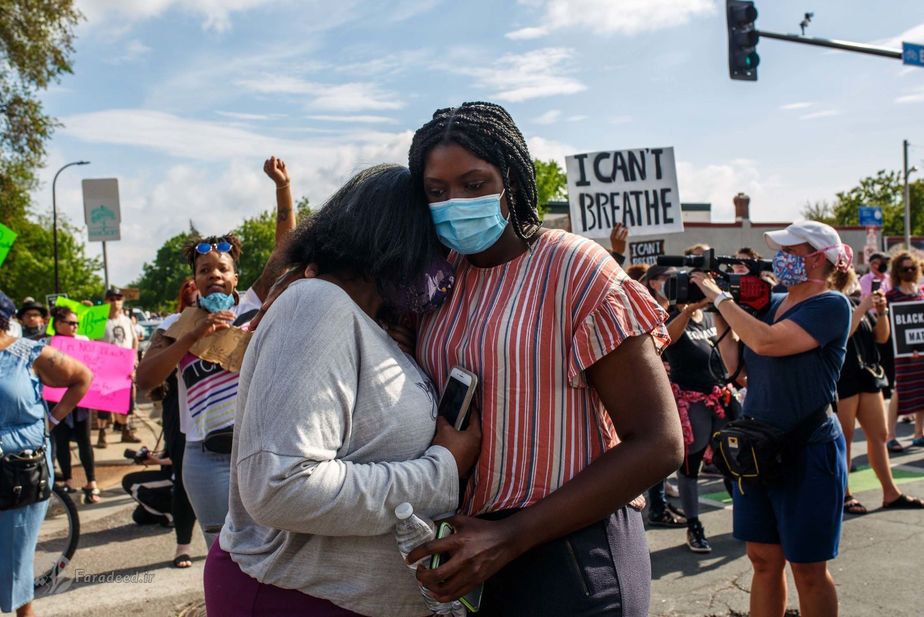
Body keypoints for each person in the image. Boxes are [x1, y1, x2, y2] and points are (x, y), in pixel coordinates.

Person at [406, 102, 683, 616]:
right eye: (436, 192)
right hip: (474, 555)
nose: (454, 203)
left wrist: (511, 536)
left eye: (474, 184)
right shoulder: (438, 280)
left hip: (573, 553)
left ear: (511, 179)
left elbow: (660, 443)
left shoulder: (574, 266)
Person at [205, 163, 482, 617]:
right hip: (294, 598)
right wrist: (443, 471)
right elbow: (283, 486)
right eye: (434, 244)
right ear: (398, 238)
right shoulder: (317, 303)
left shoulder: (361, 318)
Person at [690, 221, 851, 617]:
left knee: (808, 569)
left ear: (816, 258)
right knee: (762, 558)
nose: (780, 259)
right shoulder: (775, 302)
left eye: (789, 251)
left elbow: (767, 342)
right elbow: (736, 369)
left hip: (808, 449)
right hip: (758, 449)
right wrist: (722, 315)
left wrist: (721, 300)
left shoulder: (831, 305)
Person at [137, 156, 295, 548]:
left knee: (275, 548)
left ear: (235, 277)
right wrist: (193, 337)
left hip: (263, 450)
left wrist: (282, 187)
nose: (215, 275)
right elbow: (145, 381)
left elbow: (287, 249)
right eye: (205, 270)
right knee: (222, 553)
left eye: (222, 268)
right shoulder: (172, 329)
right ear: (195, 281)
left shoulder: (252, 306)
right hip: (206, 460)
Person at [0, 290, 92, 617]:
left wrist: (51, 421)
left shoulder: (28, 353)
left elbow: (83, 378)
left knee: (15, 557)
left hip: (18, 473)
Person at [829, 268, 924, 514]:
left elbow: (881, 338)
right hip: (843, 379)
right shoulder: (828, 304)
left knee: (879, 435)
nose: (846, 271)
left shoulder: (853, 301)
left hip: (867, 376)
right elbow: (840, 335)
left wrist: (880, 312)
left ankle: (890, 493)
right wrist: (863, 307)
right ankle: (844, 493)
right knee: (845, 439)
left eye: (847, 269)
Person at [663, 296, 739, 553]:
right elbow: (667, 339)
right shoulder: (672, 317)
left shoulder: (709, 315)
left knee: (731, 461)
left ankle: (746, 517)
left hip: (720, 397)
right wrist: (686, 311)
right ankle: (694, 526)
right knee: (690, 465)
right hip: (691, 400)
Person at [637, 265, 688, 529]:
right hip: (654, 387)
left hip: (675, 386)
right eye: (669, 278)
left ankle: (660, 503)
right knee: (658, 447)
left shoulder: (677, 307)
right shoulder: (644, 307)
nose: (676, 282)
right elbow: (665, 339)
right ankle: (656, 507)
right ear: (654, 283)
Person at [47, 306, 101, 504]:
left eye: (77, 323)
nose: (75, 326)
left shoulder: (84, 342)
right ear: (58, 324)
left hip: (81, 402)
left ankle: (91, 481)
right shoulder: (48, 344)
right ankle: (68, 480)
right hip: (58, 400)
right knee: (61, 442)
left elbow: (99, 368)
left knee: (85, 441)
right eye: (71, 323)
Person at [885, 252, 924, 451]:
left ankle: (919, 433)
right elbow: (888, 326)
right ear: (897, 272)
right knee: (900, 390)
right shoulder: (891, 295)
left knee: (922, 388)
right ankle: (890, 435)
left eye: (912, 268)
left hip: (921, 351)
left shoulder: (921, 292)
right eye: (905, 269)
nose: (909, 272)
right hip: (902, 352)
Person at [96, 287, 140, 447]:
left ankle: (125, 430)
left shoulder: (126, 320)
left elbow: (134, 340)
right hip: (105, 368)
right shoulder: (99, 320)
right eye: (112, 299)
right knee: (104, 403)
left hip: (124, 367)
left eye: (118, 299)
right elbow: (88, 341)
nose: (116, 302)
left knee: (125, 402)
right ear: (106, 301)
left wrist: (134, 359)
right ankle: (102, 433)